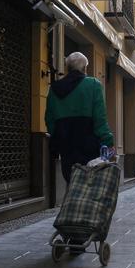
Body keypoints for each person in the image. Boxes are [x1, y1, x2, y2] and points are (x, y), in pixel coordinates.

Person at [45, 52, 114, 183]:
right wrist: (108, 141)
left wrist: (58, 139)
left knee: (71, 183)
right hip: (89, 146)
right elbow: (100, 119)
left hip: (66, 147)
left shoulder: (54, 89)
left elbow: (49, 119)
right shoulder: (94, 85)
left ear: (67, 68)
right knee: (88, 188)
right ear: (84, 68)